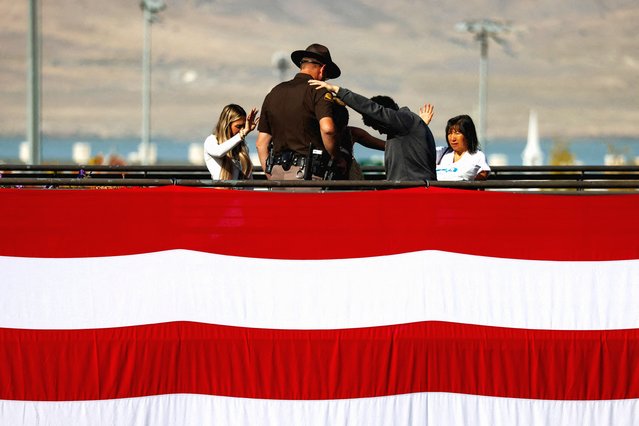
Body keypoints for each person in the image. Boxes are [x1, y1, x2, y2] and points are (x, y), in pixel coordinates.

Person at [308, 80, 437, 182]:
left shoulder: (406, 120)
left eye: (378, 126)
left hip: (413, 194)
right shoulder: (408, 126)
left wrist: (339, 91)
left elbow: (373, 110)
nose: (380, 132)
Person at [256, 44, 340, 182]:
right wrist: (336, 157)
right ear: (323, 69)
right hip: (307, 176)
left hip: (277, 175)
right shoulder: (318, 90)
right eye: (327, 76)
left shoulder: (274, 92)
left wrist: (271, 174)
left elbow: (261, 143)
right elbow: (328, 129)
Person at [203, 104, 258, 180]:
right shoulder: (211, 140)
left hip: (239, 191)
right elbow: (219, 152)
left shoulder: (242, 146)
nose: (242, 130)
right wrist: (242, 134)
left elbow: (249, 181)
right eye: (238, 127)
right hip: (221, 191)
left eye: (244, 126)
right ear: (226, 125)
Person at [435, 115, 490, 181]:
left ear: (468, 134)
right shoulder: (442, 153)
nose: (452, 138)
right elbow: (421, 153)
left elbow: (482, 178)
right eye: (449, 133)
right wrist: (423, 125)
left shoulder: (477, 156)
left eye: (457, 133)